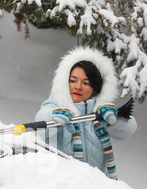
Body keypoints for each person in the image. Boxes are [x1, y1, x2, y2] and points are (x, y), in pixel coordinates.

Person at [35, 47, 137, 180]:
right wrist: (54, 118)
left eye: (86, 83)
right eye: (73, 80)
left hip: (95, 186)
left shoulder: (100, 111)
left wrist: (114, 120)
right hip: (61, 185)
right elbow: (41, 122)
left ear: (95, 88)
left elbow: (127, 131)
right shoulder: (55, 104)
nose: (78, 86)